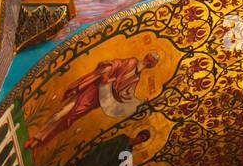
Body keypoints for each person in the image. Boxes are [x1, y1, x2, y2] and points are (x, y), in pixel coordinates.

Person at [29, 50, 160, 153]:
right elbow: (115, 64)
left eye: (151, 62)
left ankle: (40, 142)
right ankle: (35, 138)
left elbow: (126, 94)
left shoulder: (136, 78)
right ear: (146, 56)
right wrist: (105, 75)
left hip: (98, 100)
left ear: (151, 66)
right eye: (149, 58)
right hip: (92, 91)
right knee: (61, 113)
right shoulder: (132, 62)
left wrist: (136, 103)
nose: (148, 61)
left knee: (68, 121)